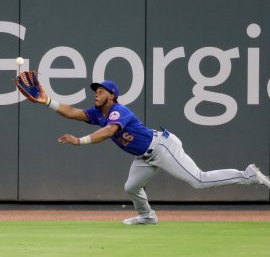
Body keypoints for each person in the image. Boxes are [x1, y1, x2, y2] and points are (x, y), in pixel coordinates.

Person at [35, 80, 270, 225]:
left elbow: (108, 132)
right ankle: (148, 217)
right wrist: (47, 101)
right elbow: (71, 112)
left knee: (199, 180)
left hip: (162, 147)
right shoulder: (98, 113)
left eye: (101, 91)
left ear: (112, 95)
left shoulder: (119, 110)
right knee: (131, 187)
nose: (96, 93)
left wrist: (80, 141)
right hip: (144, 157)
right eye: (95, 90)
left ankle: (248, 174)